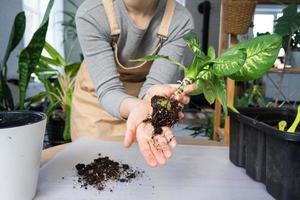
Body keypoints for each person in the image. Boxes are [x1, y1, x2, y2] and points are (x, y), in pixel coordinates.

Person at [71, 0, 195, 167]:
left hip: (144, 104)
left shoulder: (180, 20)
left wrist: (148, 107)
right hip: (95, 105)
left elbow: (154, 85)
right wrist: (136, 107)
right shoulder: (92, 13)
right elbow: (109, 89)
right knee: (95, 170)